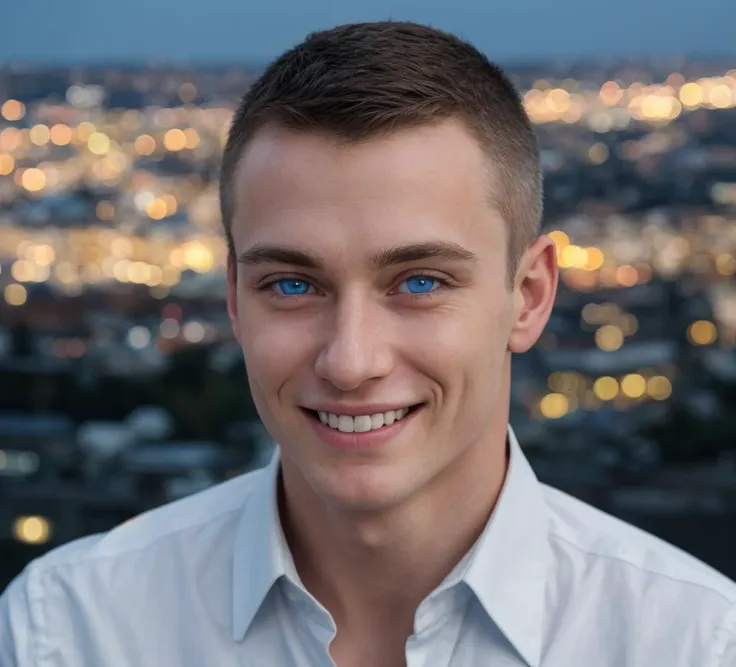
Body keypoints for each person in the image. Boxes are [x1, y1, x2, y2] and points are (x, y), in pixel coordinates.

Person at [1, 21, 735, 667]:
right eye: (292, 285)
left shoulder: (694, 643)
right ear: (232, 297)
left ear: (530, 296)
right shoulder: (68, 632)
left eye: (419, 282)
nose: (351, 361)